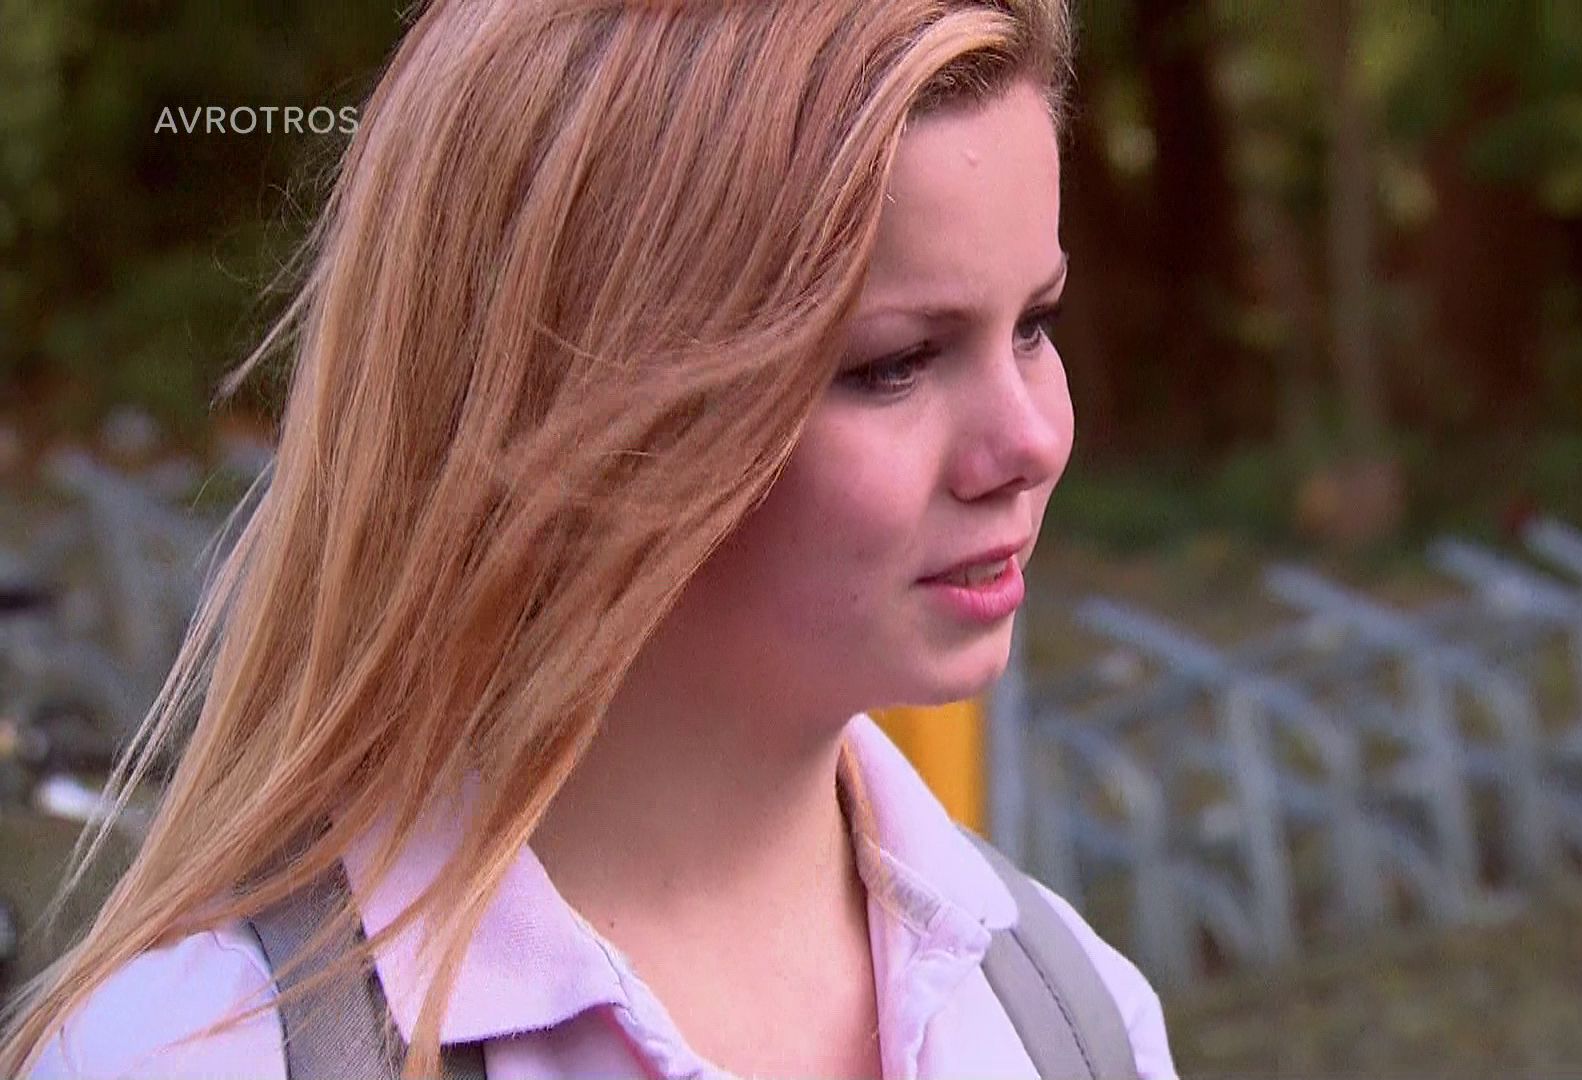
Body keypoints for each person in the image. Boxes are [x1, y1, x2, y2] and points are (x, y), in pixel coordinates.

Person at [0, 1, 1179, 1077]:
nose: (1031, 441)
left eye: (1035, 325)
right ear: (571, 403)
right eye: (896, 363)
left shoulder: (1072, 1019)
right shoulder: (194, 1056)